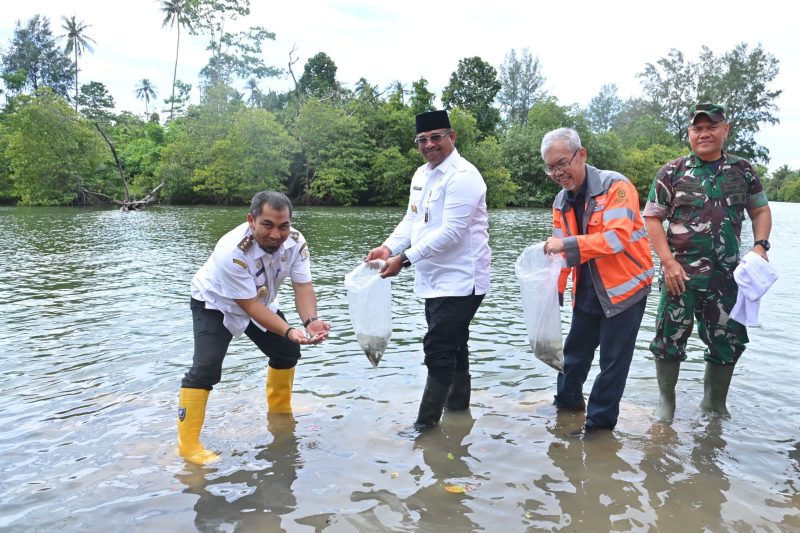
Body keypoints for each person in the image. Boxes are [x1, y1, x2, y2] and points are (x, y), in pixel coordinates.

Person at [177, 191, 330, 464]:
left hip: (259, 300)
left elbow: (303, 286)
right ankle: (189, 446)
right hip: (216, 303)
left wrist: (310, 321)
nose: (276, 234)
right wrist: (289, 330)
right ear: (251, 220)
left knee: (287, 352)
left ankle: (280, 414)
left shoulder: (296, 243)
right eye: (267, 225)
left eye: (283, 226)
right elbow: (249, 307)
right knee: (206, 369)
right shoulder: (231, 250)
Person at [643, 103, 772, 422]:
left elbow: (760, 210)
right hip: (679, 276)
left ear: (725, 130)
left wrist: (760, 245)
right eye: (697, 129)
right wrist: (667, 261)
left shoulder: (742, 170)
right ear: (689, 133)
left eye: (711, 127)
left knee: (727, 341)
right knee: (668, 339)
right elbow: (652, 217)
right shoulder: (672, 171)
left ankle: (714, 404)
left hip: (727, 277)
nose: (704, 134)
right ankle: (666, 402)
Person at [365, 109, 491, 431]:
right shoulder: (422, 175)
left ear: (452, 137)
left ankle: (425, 427)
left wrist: (404, 259)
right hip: (433, 278)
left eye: (436, 137)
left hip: (462, 280)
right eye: (422, 140)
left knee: (438, 349)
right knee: (454, 345)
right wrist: (388, 248)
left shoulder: (464, 175)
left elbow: (452, 232)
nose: (429, 145)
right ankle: (458, 413)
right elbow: (412, 219)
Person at [541, 127, 654, 434]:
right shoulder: (560, 201)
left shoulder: (616, 186)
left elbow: (616, 238)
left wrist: (565, 245)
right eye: (550, 167)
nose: (557, 173)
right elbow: (559, 252)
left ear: (581, 155)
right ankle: (566, 410)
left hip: (626, 290)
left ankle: (598, 430)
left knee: (612, 363)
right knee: (573, 356)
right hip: (587, 289)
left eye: (562, 163)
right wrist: (555, 290)